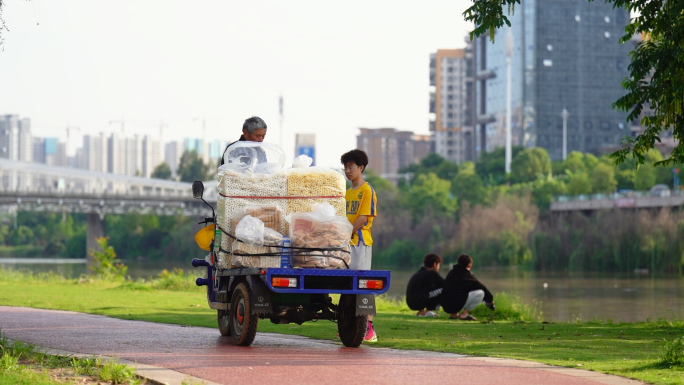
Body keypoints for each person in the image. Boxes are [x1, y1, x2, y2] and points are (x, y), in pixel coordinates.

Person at [341, 149, 378, 342]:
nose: (347, 171)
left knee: (362, 283)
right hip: (346, 243)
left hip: (360, 242)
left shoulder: (367, 190)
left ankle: (369, 326)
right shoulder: (347, 193)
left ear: (361, 168)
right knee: (347, 285)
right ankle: (349, 325)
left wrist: (346, 232)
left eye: (351, 167)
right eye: (345, 167)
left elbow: (363, 219)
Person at [440, 254, 495, 320]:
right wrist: (490, 300)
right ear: (469, 265)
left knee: (459, 292)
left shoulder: (451, 272)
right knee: (481, 293)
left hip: (446, 306)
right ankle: (464, 314)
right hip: (455, 306)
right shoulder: (466, 275)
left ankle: (454, 314)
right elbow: (481, 287)